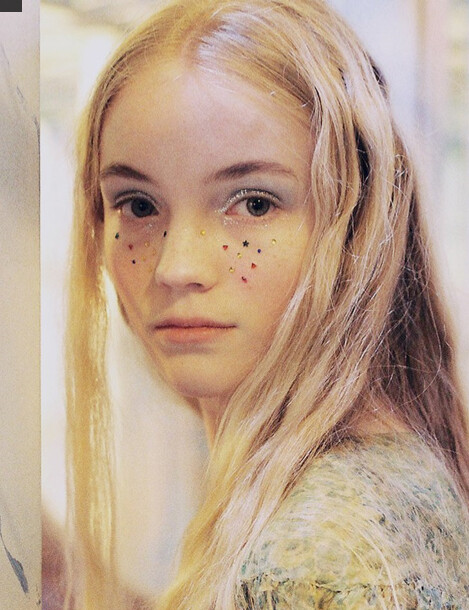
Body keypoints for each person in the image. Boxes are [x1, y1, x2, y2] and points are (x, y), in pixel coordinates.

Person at [65, 0, 469, 608]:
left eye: (253, 203)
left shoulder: (313, 555)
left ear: (356, 227)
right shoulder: (385, 472)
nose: (177, 268)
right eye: (138, 205)